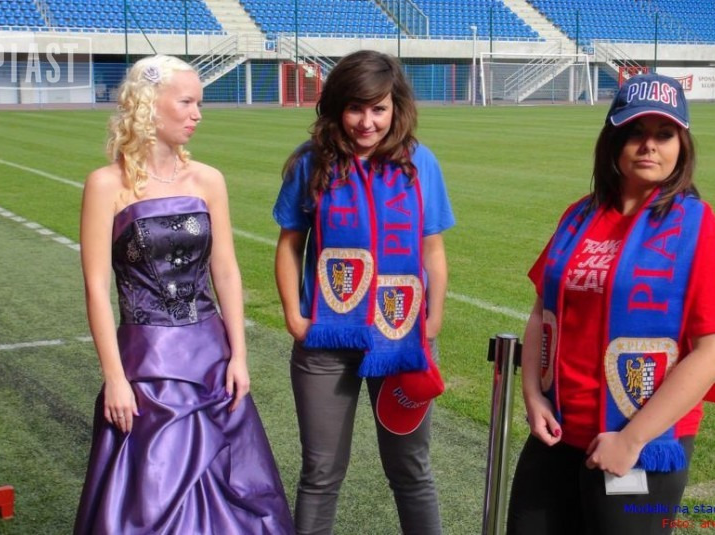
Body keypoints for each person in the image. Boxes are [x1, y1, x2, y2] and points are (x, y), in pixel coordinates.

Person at [506, 73, 715, 534]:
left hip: (639, 444)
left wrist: (631, 440)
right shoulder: (579, 214)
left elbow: (714, 352)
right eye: (635, 131)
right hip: (557, 432)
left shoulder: (702, 230)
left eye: (664, 134)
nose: (649, 145)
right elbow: (541, 313)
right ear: (613, 140)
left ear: (682, 145)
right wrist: (533, 396)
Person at [74, 55, 293, 534]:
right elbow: (96, 287)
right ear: (149, 105)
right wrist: (114, 377)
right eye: (187, 102)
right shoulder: (105, 185)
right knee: (149, 495)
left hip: (211, 358)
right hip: (146, 364)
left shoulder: (208, 180)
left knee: (232, 489)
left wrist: (239, 357)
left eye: (200, 104)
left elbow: (226, 272)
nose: (197, 115)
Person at [273, 50, 454, 535]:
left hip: (402, 338)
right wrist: (295, 317)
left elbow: (432, 249)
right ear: (337, 106)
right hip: (326, 342)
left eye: (378, 108)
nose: (367, 122)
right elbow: (290, 244)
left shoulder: (420, 162)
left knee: (411, 470)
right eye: (356, 108)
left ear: (396, 107)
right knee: (320, 473)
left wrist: (432, 320)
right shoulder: (311, 162)